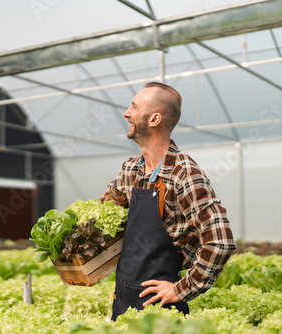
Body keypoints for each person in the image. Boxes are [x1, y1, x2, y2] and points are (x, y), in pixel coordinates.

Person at [100, 82, 237, 321]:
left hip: (160, 310)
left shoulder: (184, 173)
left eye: (134, 107)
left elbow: (220, 242)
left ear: (154, 120)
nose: (126, 113)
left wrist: (181, 289)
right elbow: (104, 217)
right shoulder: (130, 170)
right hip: (122, 297)